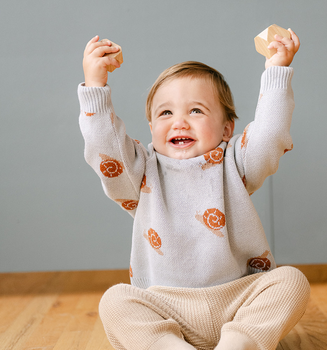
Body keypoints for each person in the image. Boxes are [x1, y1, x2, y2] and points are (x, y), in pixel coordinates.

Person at [78, 29, 310, 350]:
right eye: (165, 113)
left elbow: (270, 134)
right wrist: (95, 87)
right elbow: (105, 146)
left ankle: (240, 343)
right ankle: (168, 346)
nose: (179, 122)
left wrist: (277, 70)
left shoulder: (237, 163)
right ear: (151, 127)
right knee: (115, 300)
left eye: (196, 110)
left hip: (238, 301)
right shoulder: (139, 171)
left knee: (291, 282)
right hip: (165, 306)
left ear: (227, 128)